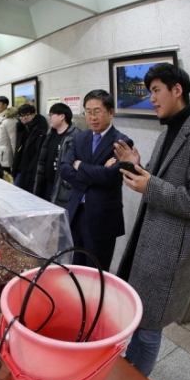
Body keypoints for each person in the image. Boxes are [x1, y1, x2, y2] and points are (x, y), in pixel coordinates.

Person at [114, 63, 190, 377]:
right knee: (139, 318)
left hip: (168, 254)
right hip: (148, 243)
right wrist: (136, 165)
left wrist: (152, 185)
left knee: (149, 330)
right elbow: (160, 180)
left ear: (178, 90)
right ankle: (128, 374)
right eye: (149, 93)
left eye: (156, 91)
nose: (152, 99)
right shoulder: (168, 132)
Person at [59, 89, 132, 272]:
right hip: (76, 213)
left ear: (110, 112)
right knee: (75, 268)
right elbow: (65, 170)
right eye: (88, 112)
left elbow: (109, 177)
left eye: (97, 111)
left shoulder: (122, 142)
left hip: (102, 217)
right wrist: (97, 172)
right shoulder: (79, 138)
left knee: (97, 270)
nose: (92, 117)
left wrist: (80, 165)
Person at [33, 103, 80, 208]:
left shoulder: (75, 136)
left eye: (51, 115)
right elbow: (43, 160)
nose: (49, 118)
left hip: (61, 186)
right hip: (47, 183)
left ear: (62, 116)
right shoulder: (50, 133)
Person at [12, 104, 48, 193]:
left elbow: (38, 151)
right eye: (20, 116)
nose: (23, 118)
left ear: (33, 114)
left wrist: (30, 167)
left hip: (31, 168)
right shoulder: (21, 127)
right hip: (20, 165)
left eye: (26, 115)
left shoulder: (40, 129)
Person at [0, 96, 18, 173]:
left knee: (4, 177)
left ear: (5, 105)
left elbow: (13, 140)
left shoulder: (10, 120)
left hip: (4, 157)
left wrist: (15, 157)